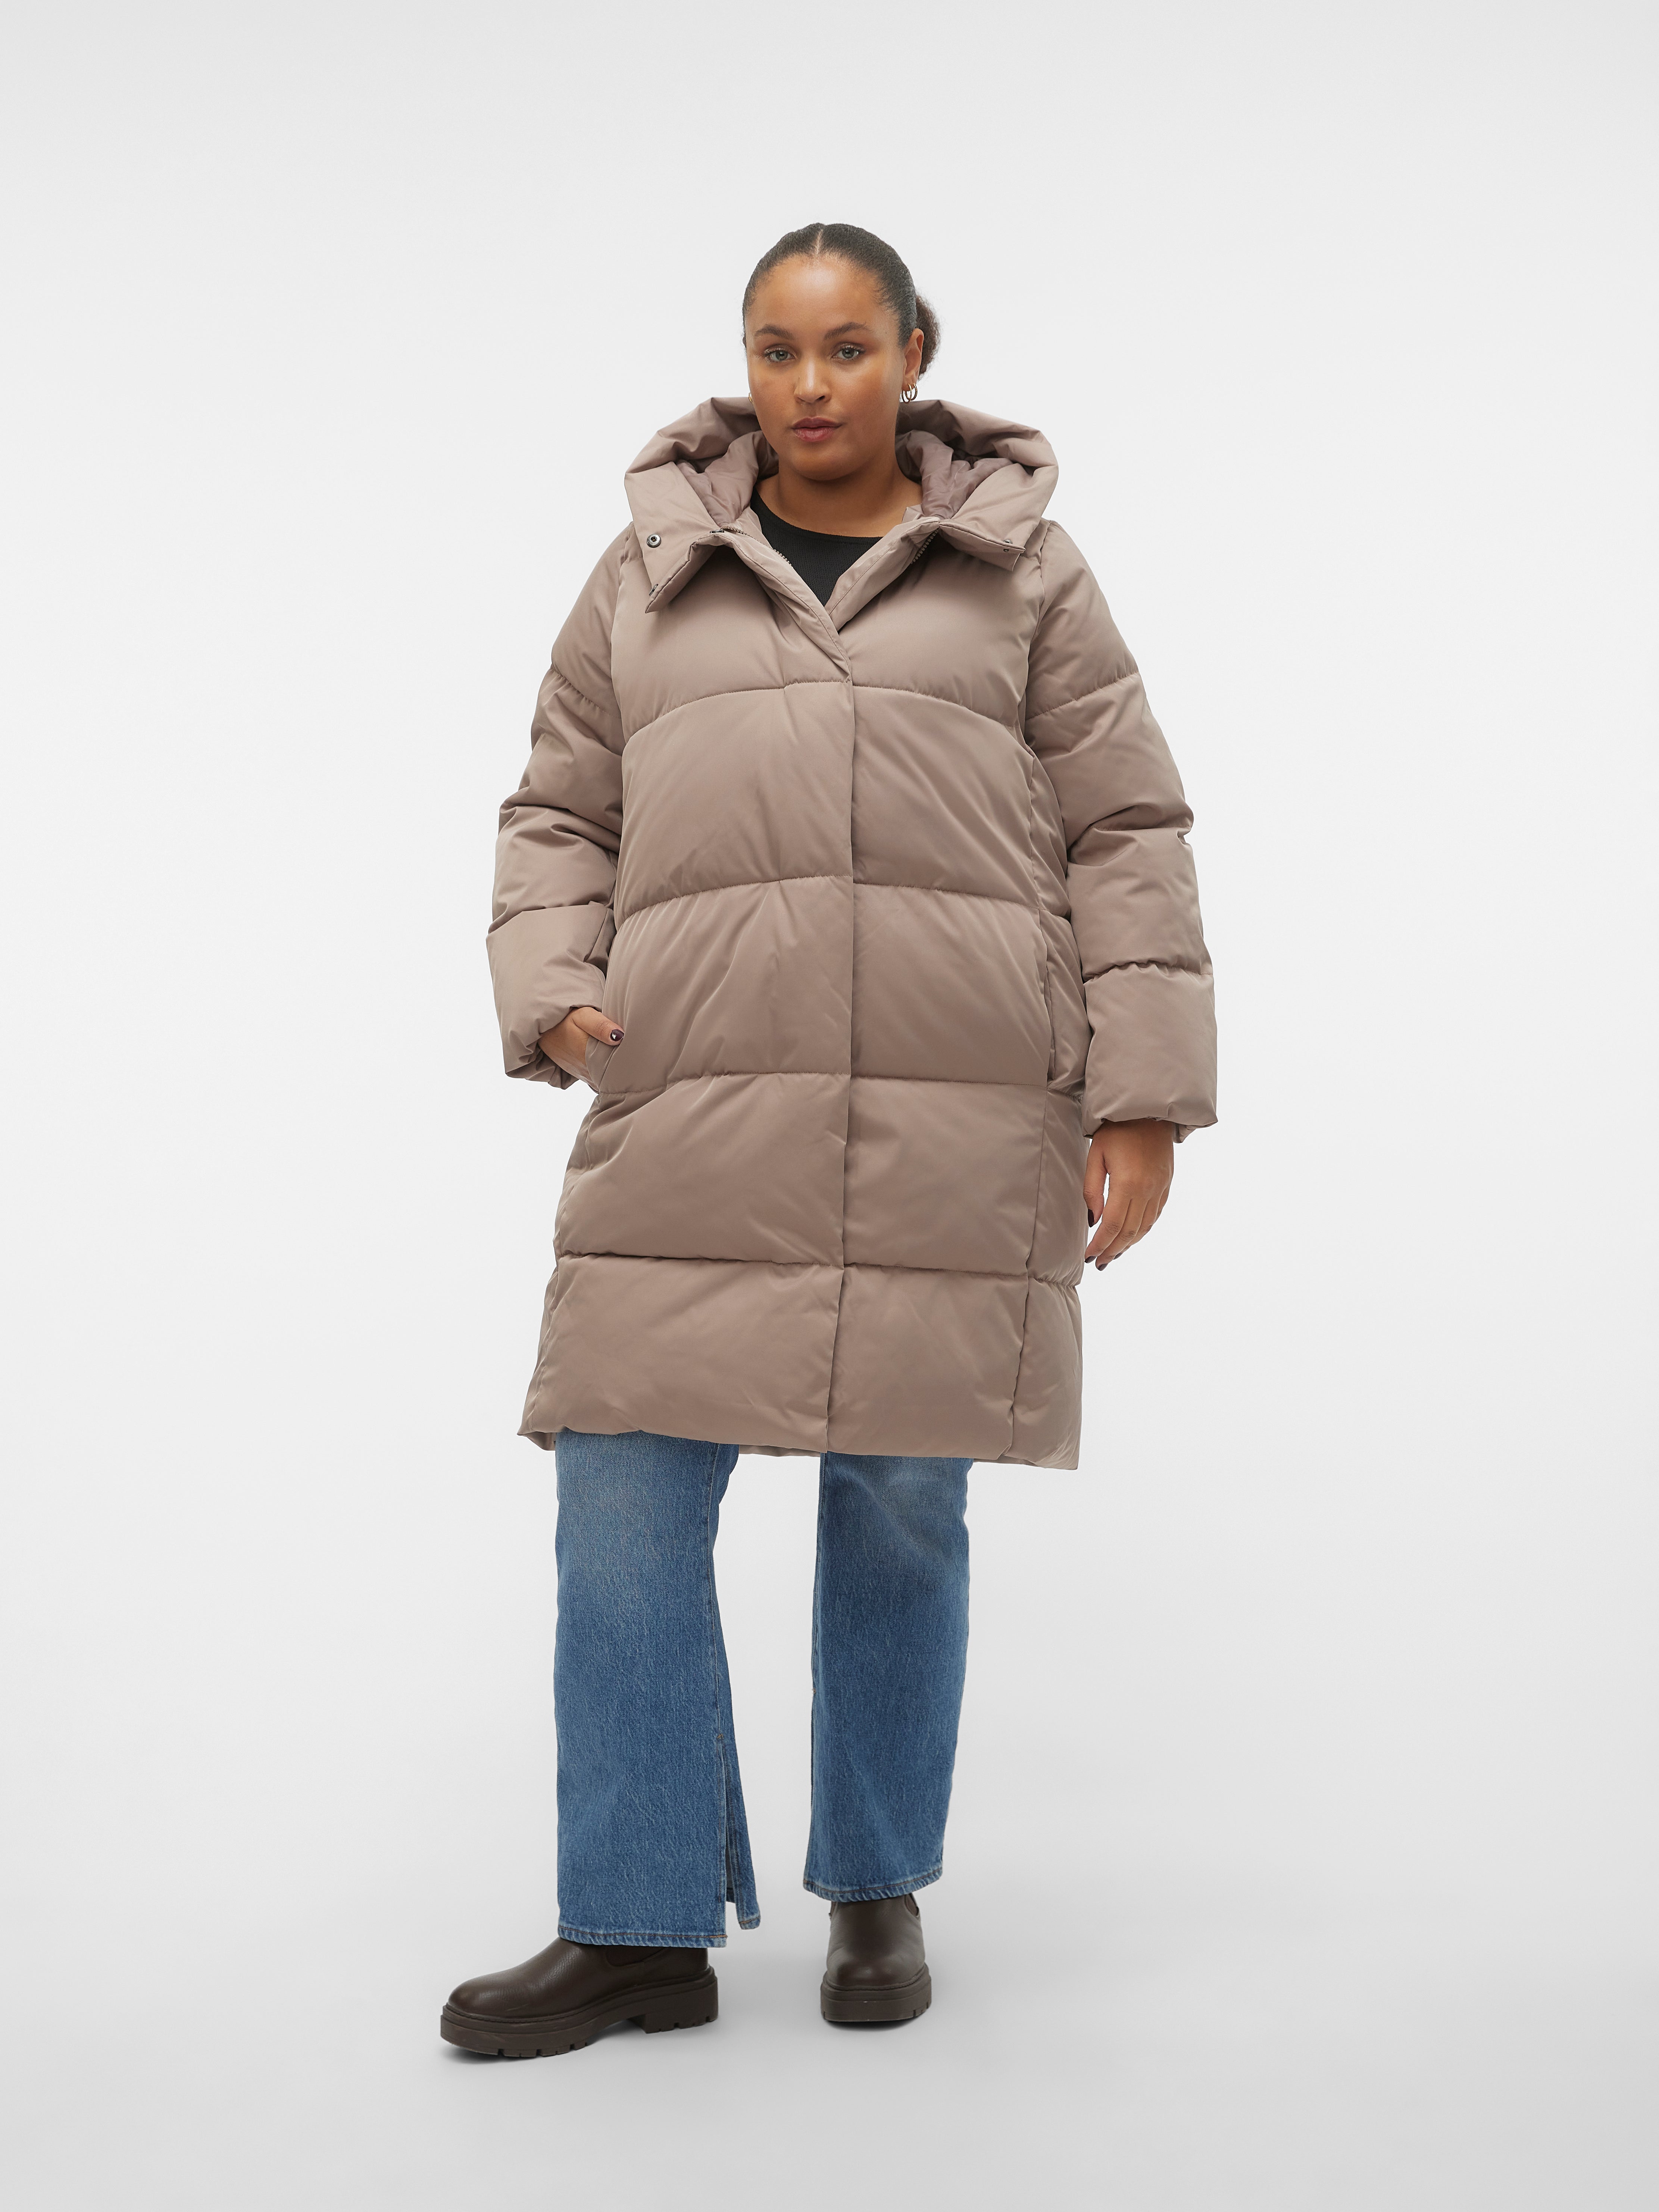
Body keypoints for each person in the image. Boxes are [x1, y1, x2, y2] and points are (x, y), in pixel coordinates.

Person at [441, 222, 1216, 2058]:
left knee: (900, 1502)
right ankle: (633, 1925)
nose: (808, 385)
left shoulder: (1023, 572)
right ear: (744, 364)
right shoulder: (647, 574)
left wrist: (1140, 1097)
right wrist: (555, 987)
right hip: (695, 1099)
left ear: (912, 355)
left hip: (950, 1111)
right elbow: (559, 808)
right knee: (620, 1490)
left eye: (846, 348)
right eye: (775, 350)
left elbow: (1123, 831)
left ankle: (876, 1887)